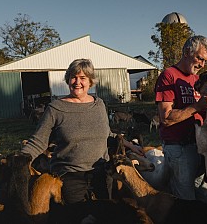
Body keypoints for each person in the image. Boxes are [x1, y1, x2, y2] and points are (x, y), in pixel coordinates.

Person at [20, 58, 144, 204]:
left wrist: (131, 146)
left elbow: (107, 134)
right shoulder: (55, 108)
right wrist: (19, 160)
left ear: (90, 81)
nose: (77, 82)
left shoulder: (98, 105)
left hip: (101, 173)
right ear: (68, 80)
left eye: (83, 78)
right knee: (78, 217)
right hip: (69, 176)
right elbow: (38, 141)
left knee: (104, 215)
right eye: (73, 77)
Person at [154, 35, 207, 200]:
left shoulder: (196, 80)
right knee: (186, 201)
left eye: (205, 61)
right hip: (179, 149)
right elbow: (166, 118)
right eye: (199, 58)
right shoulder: (168, 76)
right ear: (187, 52)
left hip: (199, 146)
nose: (202, 64)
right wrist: (199, 106)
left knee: (205, 197)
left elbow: (203, 109)